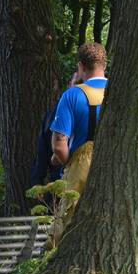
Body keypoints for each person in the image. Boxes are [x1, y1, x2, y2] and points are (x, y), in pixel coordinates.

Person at [50, 44, 107, 200]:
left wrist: (67, 161)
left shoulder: (72, 95)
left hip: (80, 179)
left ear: (81, 66)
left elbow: (59, 146)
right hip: (112, 173)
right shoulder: (117, 91)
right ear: (105, 65)